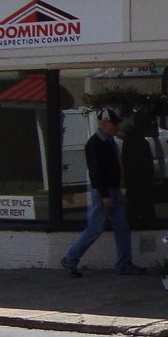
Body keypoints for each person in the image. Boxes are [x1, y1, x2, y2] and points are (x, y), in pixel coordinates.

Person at [63, 109, 140, 277]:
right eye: (114, 124)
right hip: (103, 191)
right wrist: (105, 194)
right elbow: (95, 172)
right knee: (95, 228)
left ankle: (124, 263)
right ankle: (70, 258)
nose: (116, 127)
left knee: (122, 227)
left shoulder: (109, 141)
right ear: (104, 124)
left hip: (113, 189)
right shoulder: (94, 144)